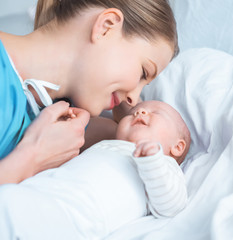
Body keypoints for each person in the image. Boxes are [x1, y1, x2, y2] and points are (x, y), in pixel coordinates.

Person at [0, 0, 178, 184]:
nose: (134, 98)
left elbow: (124, 139)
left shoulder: (61, 117)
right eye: (143, 73)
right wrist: (32, 157)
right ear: (106, 27)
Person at [0, 100, 191, 239]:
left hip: (76, 217)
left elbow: (172, 205)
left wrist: (153, 163)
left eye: (155, 113)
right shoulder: (105, 145)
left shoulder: (165, 166)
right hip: (40, 191)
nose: (140, 113)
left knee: (11, 211)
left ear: (177, 147)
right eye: (135, 111)